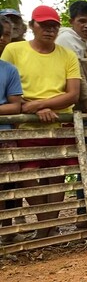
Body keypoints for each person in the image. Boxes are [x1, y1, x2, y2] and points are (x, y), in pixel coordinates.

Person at [1, 5, 81, 239]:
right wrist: (33, 109)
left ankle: (47, 228)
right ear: (32, 26)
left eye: (54, 26)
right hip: (25, 124)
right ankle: (44, 225)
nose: (49, 30)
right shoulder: (14, 50)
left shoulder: (67, 54)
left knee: (57, 174)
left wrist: (39, 106)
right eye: (44, 25)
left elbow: (72, 93)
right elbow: (8, 85)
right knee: (27, 176)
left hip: (58, 121)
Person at [56, 0, 87, 229]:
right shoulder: (66, 39)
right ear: (71, 21)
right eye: (82, 21)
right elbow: (78, 80)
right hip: (78, 111)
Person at [0, 48, 23, 244]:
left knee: (7, 183)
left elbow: (16, 106)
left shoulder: (9, 70)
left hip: (4, 134)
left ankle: (7, 229)